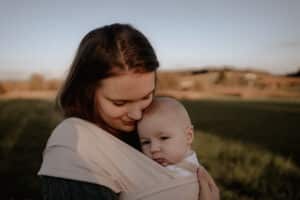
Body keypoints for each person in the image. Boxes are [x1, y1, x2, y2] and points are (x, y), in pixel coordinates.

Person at [38, 23, 219, 200]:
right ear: (87, 92)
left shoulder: (147, 129)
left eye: (146, 96)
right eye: (119, 103)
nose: (137, 115)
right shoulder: (72, 148)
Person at [137, 97, 199, 177]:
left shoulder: (183, 174)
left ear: (188, 136)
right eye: (146, 142)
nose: (153, 149)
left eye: (164, 138)